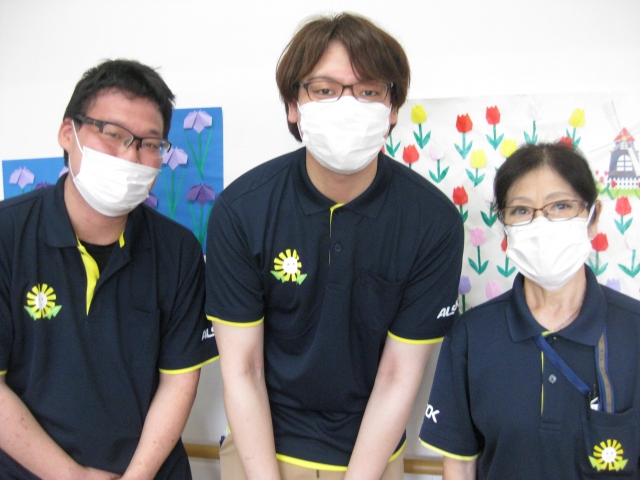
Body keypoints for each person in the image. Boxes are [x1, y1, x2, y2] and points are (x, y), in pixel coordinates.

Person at [205, 12, 464, 480]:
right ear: (293, 105)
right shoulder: (242, 209)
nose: (347, 105)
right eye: (324, 90)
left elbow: (398, 376)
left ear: (392, 108)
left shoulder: (433, 222)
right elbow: (242, 369)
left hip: (372, 457)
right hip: (259, 452)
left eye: (368, 91)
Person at [0, 59, 219, 479]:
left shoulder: (178, 251)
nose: (130, 155)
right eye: (114, 134)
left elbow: (178, 382)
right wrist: (74, 476)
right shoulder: (8, 236)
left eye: (149, 143)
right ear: (69, 133)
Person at [419, 142, 640, 479]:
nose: (541, 223)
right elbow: (460, 464)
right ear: (505, 228)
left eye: (561, 206)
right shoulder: (472, 335)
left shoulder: (633, 330)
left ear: (593, 218)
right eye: (521, 210)